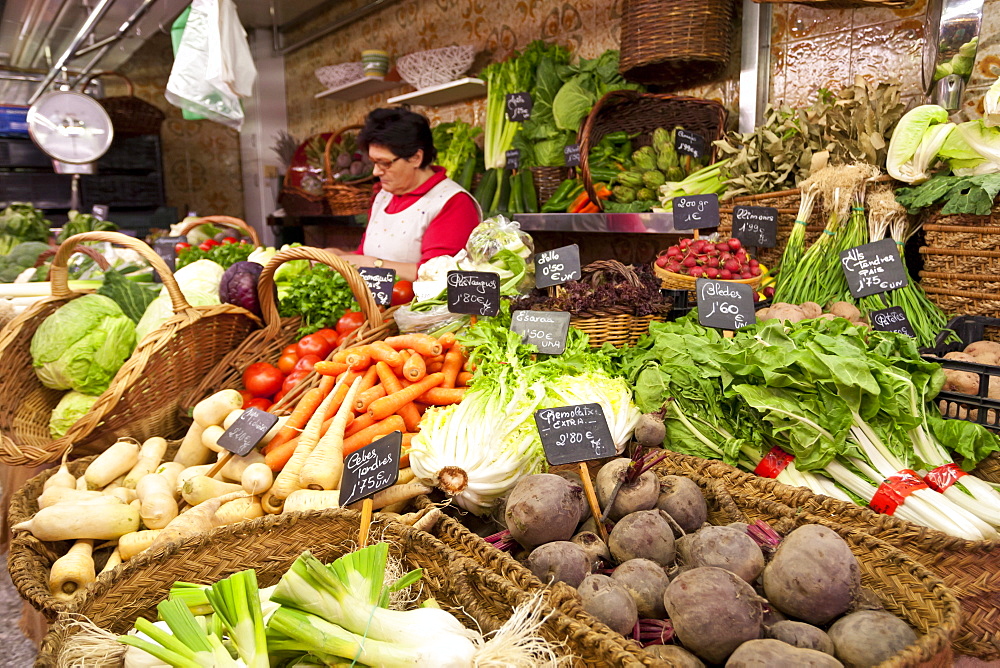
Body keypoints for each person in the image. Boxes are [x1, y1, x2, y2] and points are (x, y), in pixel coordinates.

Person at [334, 108, 482, 281]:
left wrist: (369, 263)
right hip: (378, 306)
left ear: (416, 158)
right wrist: (339, 256)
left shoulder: (453, 203)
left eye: (384, 163)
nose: (375, 171)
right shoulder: (384, 196)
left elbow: (438, 276)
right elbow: (365, 252)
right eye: (373, 162)